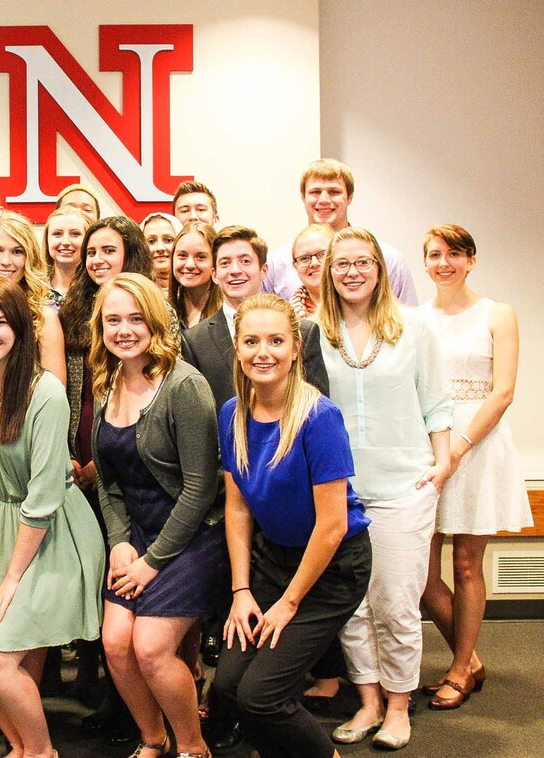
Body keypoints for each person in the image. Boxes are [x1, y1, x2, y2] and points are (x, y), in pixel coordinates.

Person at [0, 274, 104, 758]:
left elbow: (42, 497)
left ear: (20, 328)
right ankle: (21, 748)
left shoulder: (46, 393)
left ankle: (41, 752)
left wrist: (10, 578)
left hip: (53, 536)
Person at [215, 293, 372, 758]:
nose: (263, 352)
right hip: (274, 561)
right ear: (238, 350)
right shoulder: (232, 414)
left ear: (295, 349)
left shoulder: (319, 416)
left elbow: (331, 526)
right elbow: (238, 509)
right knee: (228, 684)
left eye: (276, 340)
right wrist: (241, 591)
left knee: (261, 696)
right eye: (251, 341)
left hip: (332, 567)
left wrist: (287, 604)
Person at [317, 227, 452, 751]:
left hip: (405, 486)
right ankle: (369, 701)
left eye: (363, 262)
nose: (352, 272)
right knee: (351, 606)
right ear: (329, 272)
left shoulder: (414, 328)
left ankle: (399, 706)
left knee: (395, 602)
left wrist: (441, 463)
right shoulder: (315, 332)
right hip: (337, 491)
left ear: (380, 269)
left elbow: (437, 402)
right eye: (342, 263)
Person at [90, 273, 223, 758]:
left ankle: (192, 747)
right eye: (113, 320)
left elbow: (200, 488)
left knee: (149, 647)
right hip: (137, 535)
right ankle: (153, 738)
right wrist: (120, 543)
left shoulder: (184, 385)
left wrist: (151, 561)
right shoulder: (107, 381)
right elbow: (108, 481)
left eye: (135, 318)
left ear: (156, 322)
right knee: (116, 645)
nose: (124, 329)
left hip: (193, 537)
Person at [418, 225, 532, 709]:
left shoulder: (497, 313)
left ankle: (461, 668)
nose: (444, 263)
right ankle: (473, 657)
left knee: (466, 564)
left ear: (471, 260)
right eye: (435, 255)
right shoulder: (413, 317)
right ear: (424, 263)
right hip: (426, 444)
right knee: (417, 572)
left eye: (455, 254)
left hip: (477, 444)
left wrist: (458, 449)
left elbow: (503, 392)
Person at [59, 215, 156, 743]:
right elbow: (71, 396)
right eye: (91, 251)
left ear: (130, 256)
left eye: (109, 251)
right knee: (99, 587)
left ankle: (138, 709)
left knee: (132, 595)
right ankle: (108, 695)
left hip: (130, 473)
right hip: (80, 469)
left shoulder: (150, 315)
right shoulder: (73, 314)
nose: (97, 259)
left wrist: (101, 465)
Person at [182, 225, 329, 413]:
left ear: (264, 270)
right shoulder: (194, 341)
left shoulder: (303, 331)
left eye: (245, 261)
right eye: (225, 263)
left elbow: (318, 405)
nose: (235, 270)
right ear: (215, 275)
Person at [263, 159, 417, 304]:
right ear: (303, 197)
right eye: (315, 192)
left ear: (349, 197)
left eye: (334, 192)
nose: (323, 200)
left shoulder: (387, 258)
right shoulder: (276, 264)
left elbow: (410, 323)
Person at [0, 210, 66, 384]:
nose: (6, 261)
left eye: (17, 252)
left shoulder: (44, 319)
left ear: (29, 258)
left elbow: (56, 397)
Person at [169, 220, 221, 330]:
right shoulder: (162, 312)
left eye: (201, 257)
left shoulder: (229, 315)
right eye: (182, 255)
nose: (190, 265)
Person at [43, 205, 92, 306]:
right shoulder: (32, 290)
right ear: (47, 240)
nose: (65, 242)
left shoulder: (99, 291)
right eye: (57, 234)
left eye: (75, 234)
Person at [288, 224, 334, 320]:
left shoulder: (359, 307)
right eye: (304, 258)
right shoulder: (286, 316)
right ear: (295, 266)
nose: (314, 263)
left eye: (322, 254)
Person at [141, 212, 182, 298]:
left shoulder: (195, 290)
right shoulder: (136, 292)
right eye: (151, 241)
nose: (160, 248)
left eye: (168, 240)